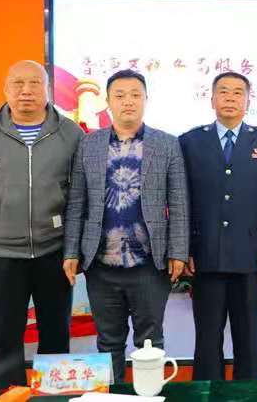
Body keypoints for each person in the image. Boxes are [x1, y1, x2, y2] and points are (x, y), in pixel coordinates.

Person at [0, 60, 85, 392]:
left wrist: (74, 250)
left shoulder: (71, 134)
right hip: (2, 254)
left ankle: (53, 397)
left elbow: (79, 198)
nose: (26, 90)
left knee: (56, 334)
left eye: (34, 83)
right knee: (5, 337)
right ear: (5, 89)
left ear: (47, 89)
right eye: (18, 83)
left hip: (54, 251)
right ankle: (7, 395)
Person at [63, 69, 189, 383]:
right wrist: (71, 251)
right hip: (101, 264)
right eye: (119, 95)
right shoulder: (88, 144)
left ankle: (150, 395)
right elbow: (77, 202)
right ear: (108, 101)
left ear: (146, 99)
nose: (128, 101)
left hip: (149, 264)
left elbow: (179, 202)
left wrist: (178, 252)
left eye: (135, 95)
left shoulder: (166, 144)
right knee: (108, 342)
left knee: (150, 341)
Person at [178, 72, 257, 380]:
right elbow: (182, 201)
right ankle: (206, 395)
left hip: (249, 257)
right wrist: (185, 249)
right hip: (205, 255)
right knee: (207, 338)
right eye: (223, 91)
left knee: (247, 338)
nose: (230, 98)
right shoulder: (190, 142)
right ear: (212, 99)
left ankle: (248, 396)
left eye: (238, 92)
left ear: (248, 101)